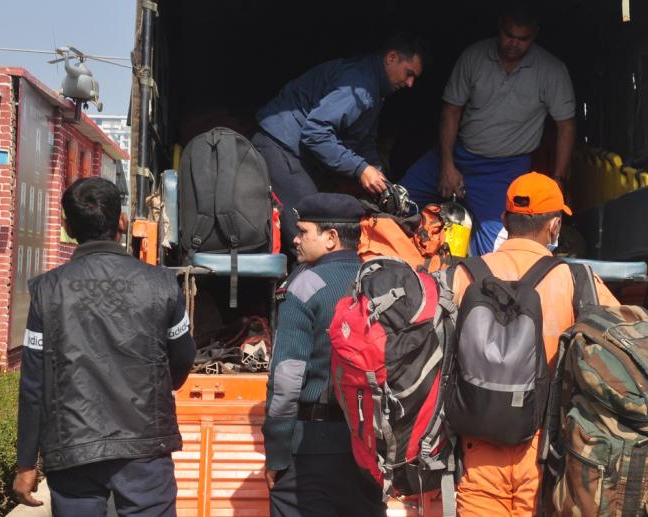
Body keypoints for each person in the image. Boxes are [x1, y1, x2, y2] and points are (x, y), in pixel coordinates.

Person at [13, 177, 196, 515]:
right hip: (144, 446)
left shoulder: (47, 291)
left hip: (72, 450)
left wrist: (26, 464)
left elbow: (34, 386)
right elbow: (183, 355)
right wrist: (158, 386)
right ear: (122, 222)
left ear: (67, 227)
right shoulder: (161, 284)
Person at [449, 172, 618, 516]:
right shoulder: (577, 280)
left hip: (477, 444)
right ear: (555, 225)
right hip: (547, 449)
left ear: (504, 219)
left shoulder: (462, 274)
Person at [399, 2, 576, 255]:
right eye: (508, 35)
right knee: (398, 201)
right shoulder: (474, 56)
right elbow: (451, 111)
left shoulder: (552, 71)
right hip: (456, 153)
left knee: (498, 248)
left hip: (504, 168)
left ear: (534, 34)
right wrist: (447, 164)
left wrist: (558, 180)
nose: (513, 43)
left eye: (522, 38)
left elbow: (566, 126)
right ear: (499, 27)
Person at [262, 193, 385, 516]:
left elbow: (286, 379)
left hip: (313, 447)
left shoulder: (303, 286)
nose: (295, 238)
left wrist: (276, 452)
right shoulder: (382, 281)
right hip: (373, 444)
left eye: (304, 231)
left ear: (331, 238)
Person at [253, 33, 427, 259]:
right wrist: (361, 169)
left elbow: (363, 142)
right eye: (409, 73)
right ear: (391, 58)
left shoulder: (375, 90)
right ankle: (303, 291)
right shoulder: (360, 86)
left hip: (297, 151)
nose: (410, 83)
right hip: (279, 146)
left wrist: (379, 177)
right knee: (312, 236)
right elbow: (315, 133)